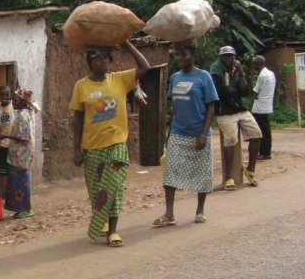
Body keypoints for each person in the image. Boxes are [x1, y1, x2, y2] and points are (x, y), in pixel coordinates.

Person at [71, 41, 151, 247]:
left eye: (106, 57)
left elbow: (145, 68)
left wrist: (126, 44)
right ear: (90, 62)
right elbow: (78, 118)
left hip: (116, 143)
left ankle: (113, 231)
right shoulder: (82, 86)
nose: (104, 61)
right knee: (97, 190)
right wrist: (76, 148)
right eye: (98, 57)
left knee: (113, 187)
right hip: (92, 146)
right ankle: (102, 222)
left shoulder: (120, 79)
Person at [152, 44, 218, 227]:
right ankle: (169, 213)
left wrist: (204, 133)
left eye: (184, 55)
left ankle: (200, 211)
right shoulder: (175, 78)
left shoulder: (204, 77)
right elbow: (174, 108)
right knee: (170, 172)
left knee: (202, 172)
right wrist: (169, 133)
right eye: (177, 55)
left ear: (192, 56)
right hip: (178, 133)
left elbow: (211, 106)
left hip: (199, 133)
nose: (179, 58)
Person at [209, 46, 263, 189]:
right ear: (221, 57)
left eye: (231, 56)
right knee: (231, 139)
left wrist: (240, 72)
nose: (229, 58)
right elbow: (221, 91)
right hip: (224, 110)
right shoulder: (215, 68)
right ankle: (229, 177)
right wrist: (234, 90)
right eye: (226, 56)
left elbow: (244, 91)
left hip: (238, 107)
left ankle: (251, 170)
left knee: (256, 134)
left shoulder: (236, 69)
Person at [0, 88, 37, 219]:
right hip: (19, 155)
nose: (12, 102)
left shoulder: (23, 115)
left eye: (15, 100)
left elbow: (25, 137)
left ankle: (26, 209)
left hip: (22, 155)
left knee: (22, 182)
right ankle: (21, 208)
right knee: (19, 182)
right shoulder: (24, 113)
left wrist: (6, 136)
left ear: (23, 101)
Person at [251, 55, 276, 159]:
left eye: (254, 64)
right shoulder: (271, 73)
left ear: (258, 64)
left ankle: (264, 152)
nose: (253, 67)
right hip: (267, 104)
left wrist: (251, 80)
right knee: (266, 129)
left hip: (260, 106)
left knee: (261, 130)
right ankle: (266, 151)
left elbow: (255, 92)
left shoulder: (261, 76)